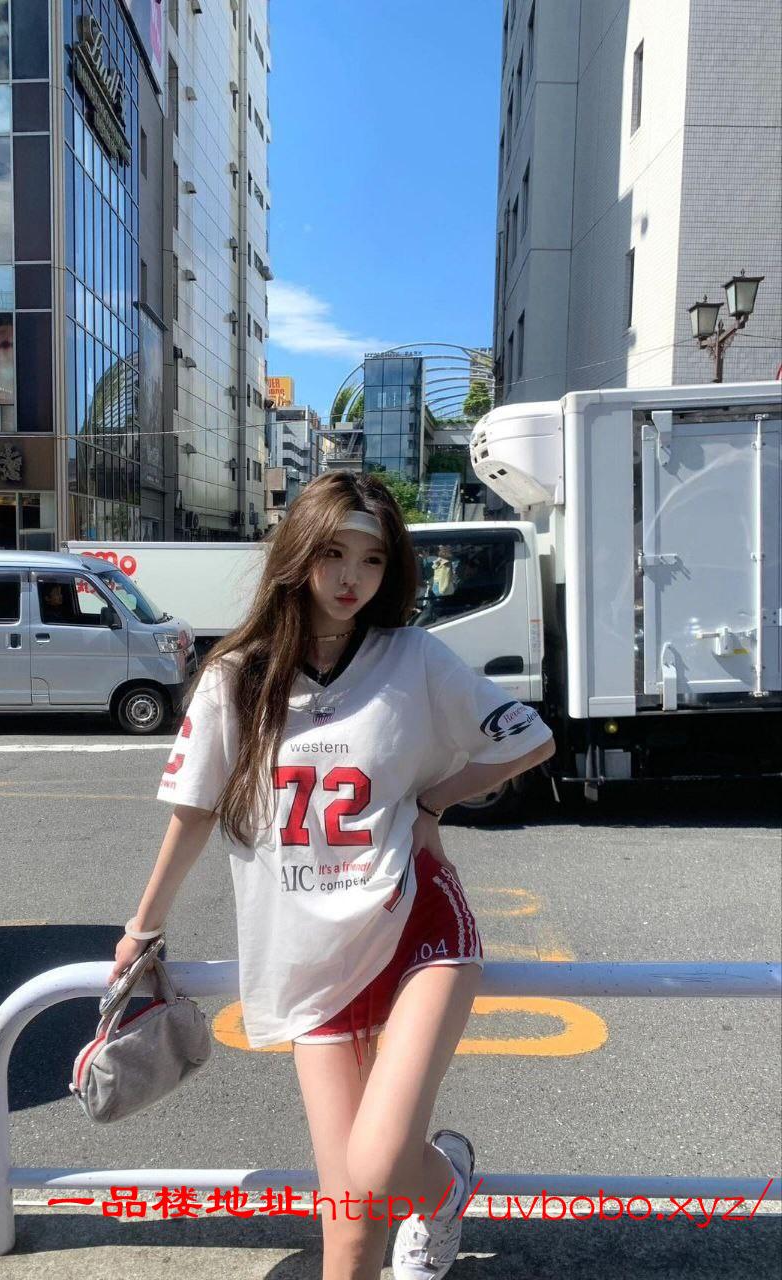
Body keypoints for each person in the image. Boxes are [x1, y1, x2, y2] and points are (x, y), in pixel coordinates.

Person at [108, 470, 555, 1280]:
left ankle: (443, 1186)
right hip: (311, 954)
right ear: (298, 553)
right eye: (334, 554)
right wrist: (143, 928)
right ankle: (437, 1191)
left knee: (378, 1167)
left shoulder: (412, 656)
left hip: (415, 924)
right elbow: (194, 810)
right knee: (348, 1237)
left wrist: (435, 800)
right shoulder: (236, 675)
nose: (353, 578)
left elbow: (530, 737)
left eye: (373, 560)